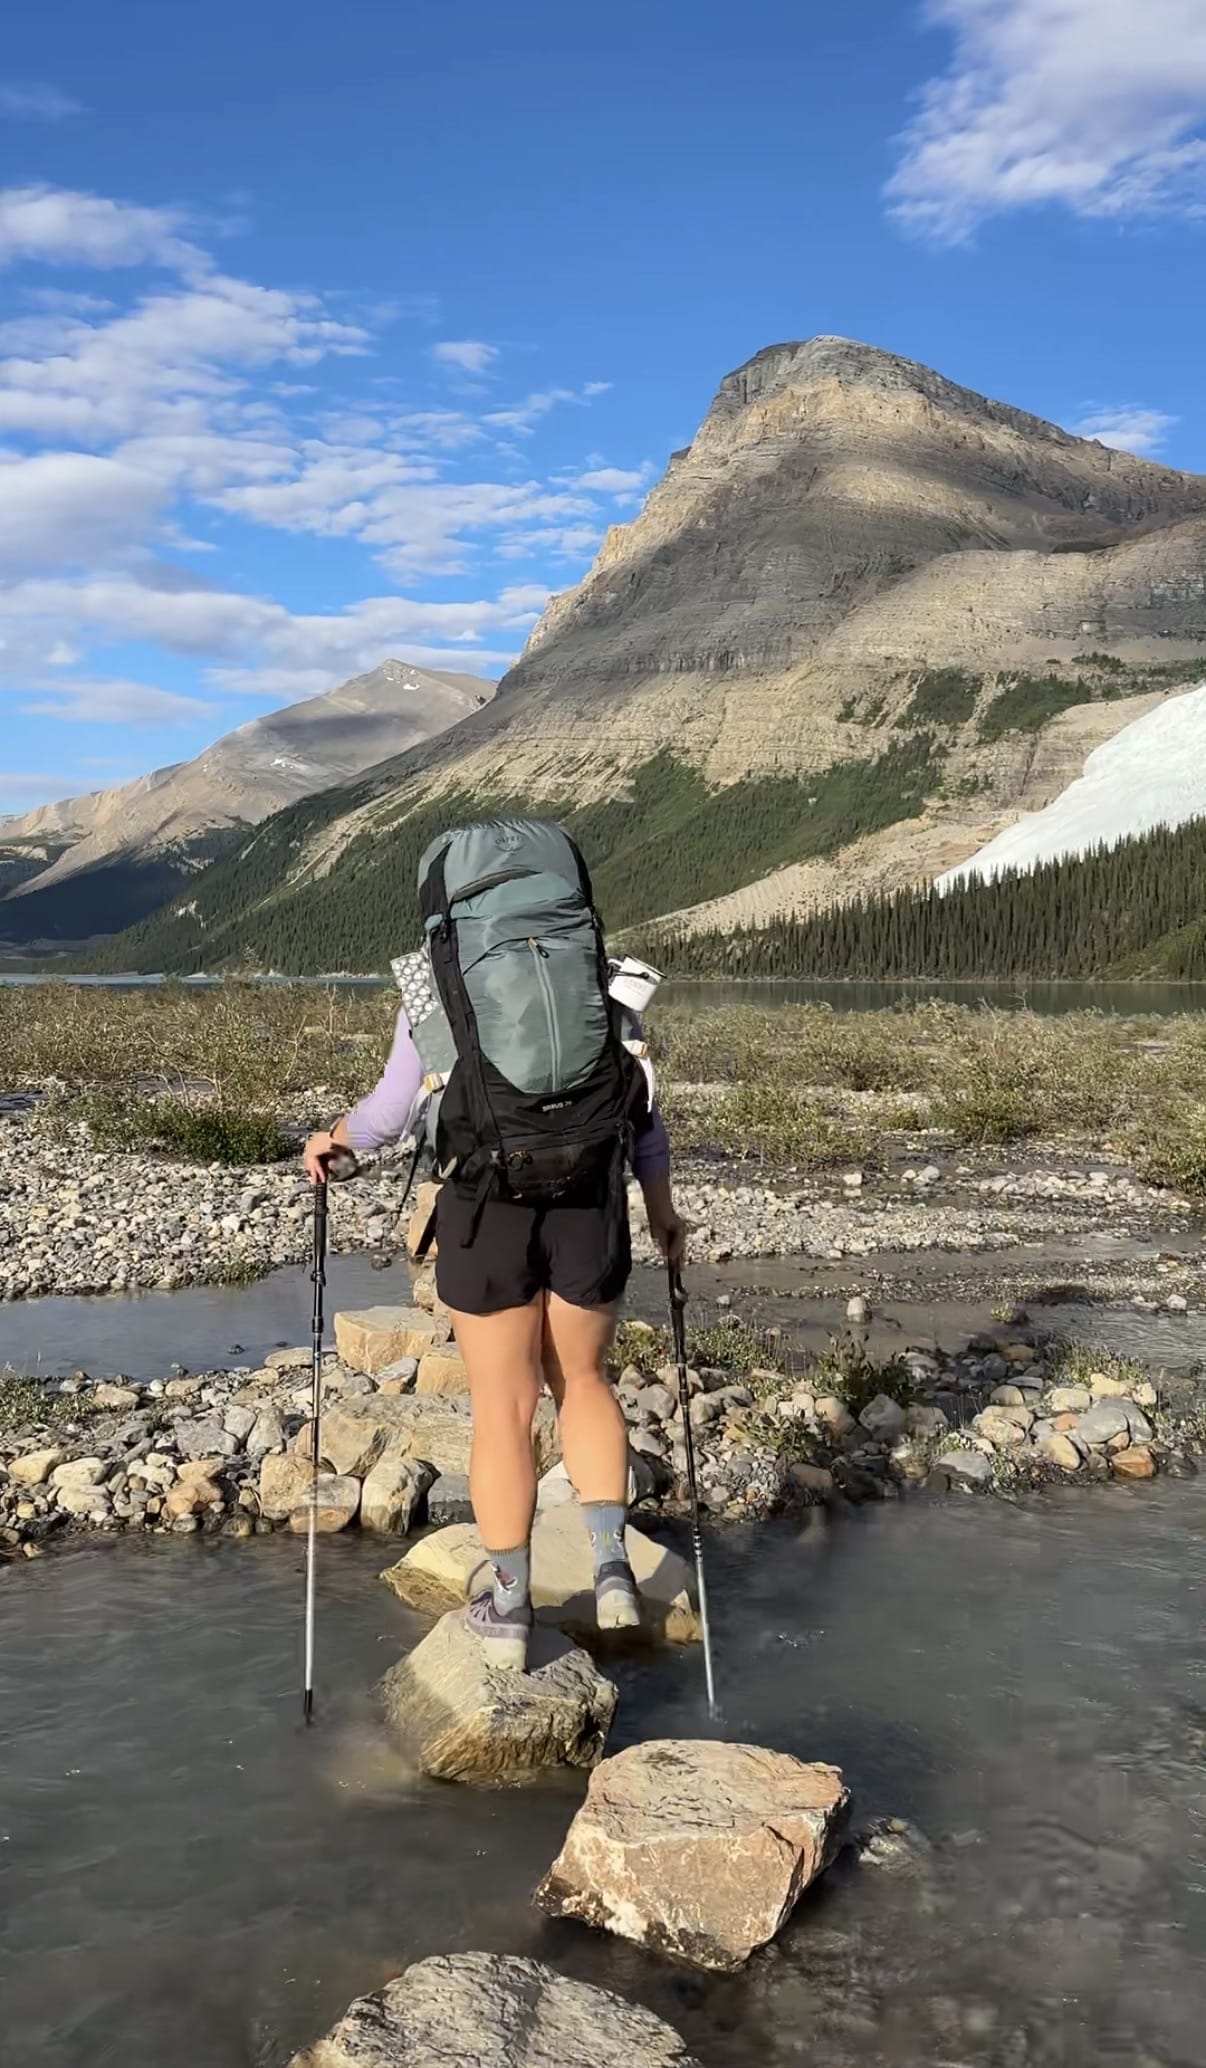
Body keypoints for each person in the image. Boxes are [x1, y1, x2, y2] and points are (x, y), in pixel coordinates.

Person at [302, 940, 684, 1674]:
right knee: (585, 1381)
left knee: (504, 1408)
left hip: (487, 1212)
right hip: (588, 1207)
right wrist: (663, 1215)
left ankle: (509, 1608)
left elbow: (387, 1114)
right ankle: (612, 1573)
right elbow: (644, 1118)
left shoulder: (436, 982)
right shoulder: (590, 976)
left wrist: (332, 1142)